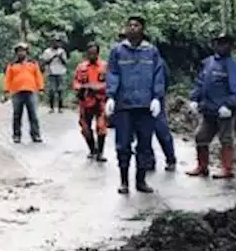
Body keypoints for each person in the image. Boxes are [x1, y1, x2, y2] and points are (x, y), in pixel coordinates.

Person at [105, 15, 166, 194]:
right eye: (129, 25)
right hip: (124, 105)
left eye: (136, 25)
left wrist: (156, 97)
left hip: (145, 106)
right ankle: (124, 181)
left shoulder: (152, 52)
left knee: (145, 145)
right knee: (123, 145)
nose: (132, 28)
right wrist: (110, 96)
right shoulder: (117, 51)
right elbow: (113, 73)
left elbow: (158, 75)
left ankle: (141, 181)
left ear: (142, 29)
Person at [186, 32, 236, 179]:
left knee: (226, 139)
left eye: (225, 43)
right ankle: (202, 166)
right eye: (219, 43)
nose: (221, 46)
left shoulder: (233, 66)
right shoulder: (208, 62)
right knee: (201, 137)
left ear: (230, 46)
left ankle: (227, 169)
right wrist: (194, 98)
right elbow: (200, 83)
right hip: (208, 110)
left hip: (224, 111)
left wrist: (229, 105)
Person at [72, 42, 109, 162]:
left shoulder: (105, 66)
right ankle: (92, 150)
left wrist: (98, 87)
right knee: (85, 128)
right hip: (85, 101)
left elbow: (111, 83)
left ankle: (100, 153)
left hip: (100, 101)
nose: (92, 55)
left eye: (94, 53)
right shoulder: (81, 67)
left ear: (98, 53)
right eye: (90, 53)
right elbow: (76, 82)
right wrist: (80, 88)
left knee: (101, 126)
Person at [2, 42, 44, 143]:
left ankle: (36, 135)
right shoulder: (12, 65)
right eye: (19, 51)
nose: (21, 53)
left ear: (26, 52)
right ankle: (16, 135)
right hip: (17, 92)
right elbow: (7, 79)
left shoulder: (33, 63)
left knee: (33, 115)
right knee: (17, 115)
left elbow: (38, 76)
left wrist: (41, 88)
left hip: (31, 91)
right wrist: (6, 91)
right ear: (16, 53)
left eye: (23, 51)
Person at [145, 67, 179, 173]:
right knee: (144, 132)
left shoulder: (157, 60)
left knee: (162, 130)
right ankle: (149, 160)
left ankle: (170, 159)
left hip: (156, 99)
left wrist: (159, 94)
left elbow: (165, 79)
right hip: (140, 100)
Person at [41, 37, 70, 113]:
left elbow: (66, 63)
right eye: (55, 42)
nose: (56, 44)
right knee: (52, 91)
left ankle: (60, 107)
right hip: (51, 73)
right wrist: (53, 57)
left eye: (58, 42)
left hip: (61, 72)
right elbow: (44, 62)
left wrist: (60, 57)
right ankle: (51, 108)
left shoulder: (62, 51)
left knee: (60, 90)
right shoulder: (47, 51)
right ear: (51, 43)